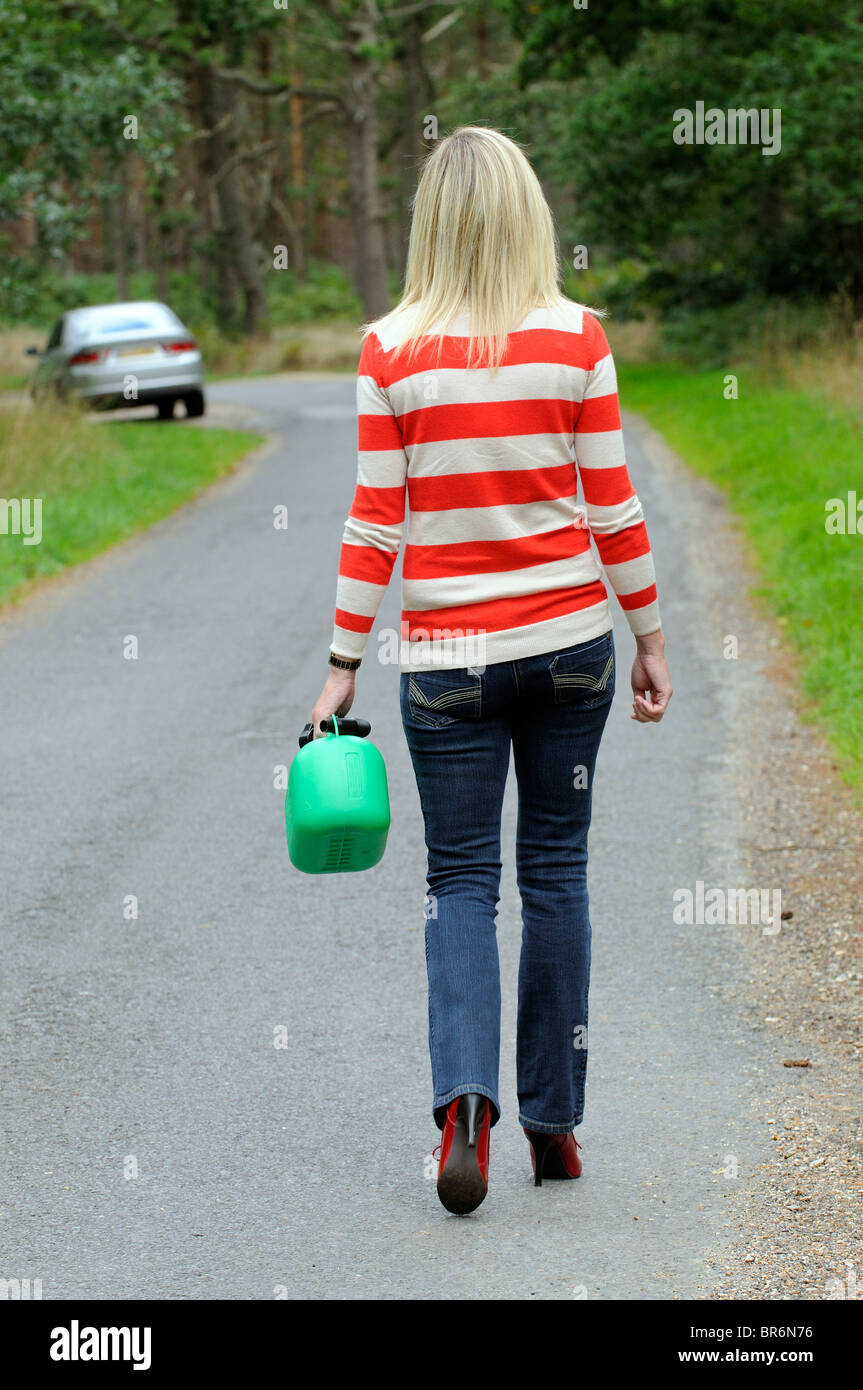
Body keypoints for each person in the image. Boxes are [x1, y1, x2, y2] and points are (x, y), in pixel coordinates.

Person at [311, 126, 672, 1215]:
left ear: (429, 222)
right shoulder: (577, 339)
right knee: (556, 874)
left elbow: (374, 522)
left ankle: (462, 1108)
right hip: (568, 649)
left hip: (445, 663)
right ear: (527, 216)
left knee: (459, 882)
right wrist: (648, 635)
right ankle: (552, 1124)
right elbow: (610, 503)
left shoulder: (389, 348)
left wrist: (339, 664)